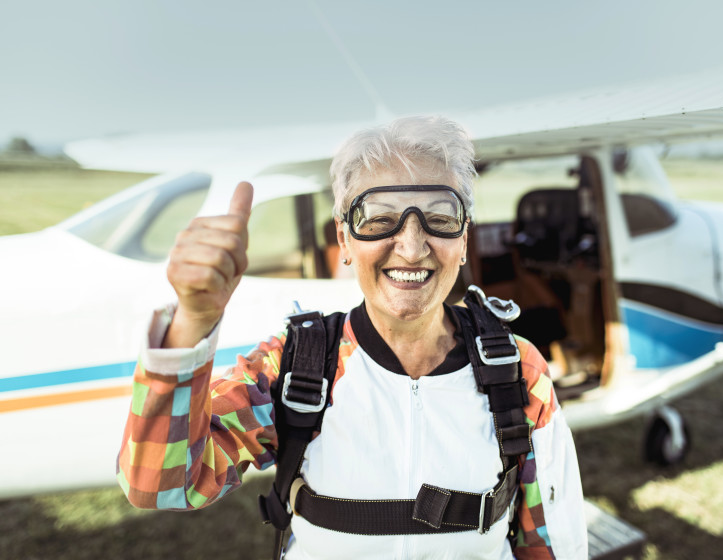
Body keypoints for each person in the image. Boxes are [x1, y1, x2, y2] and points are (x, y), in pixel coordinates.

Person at [117, 115, 588, 559]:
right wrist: (192, 324)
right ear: (344, 240)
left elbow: (550, 537)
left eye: (440, 217)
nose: (411, 245)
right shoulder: (298, 363)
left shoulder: (516, 371)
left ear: (464, 239)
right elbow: (160, 484)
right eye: (378, 217)